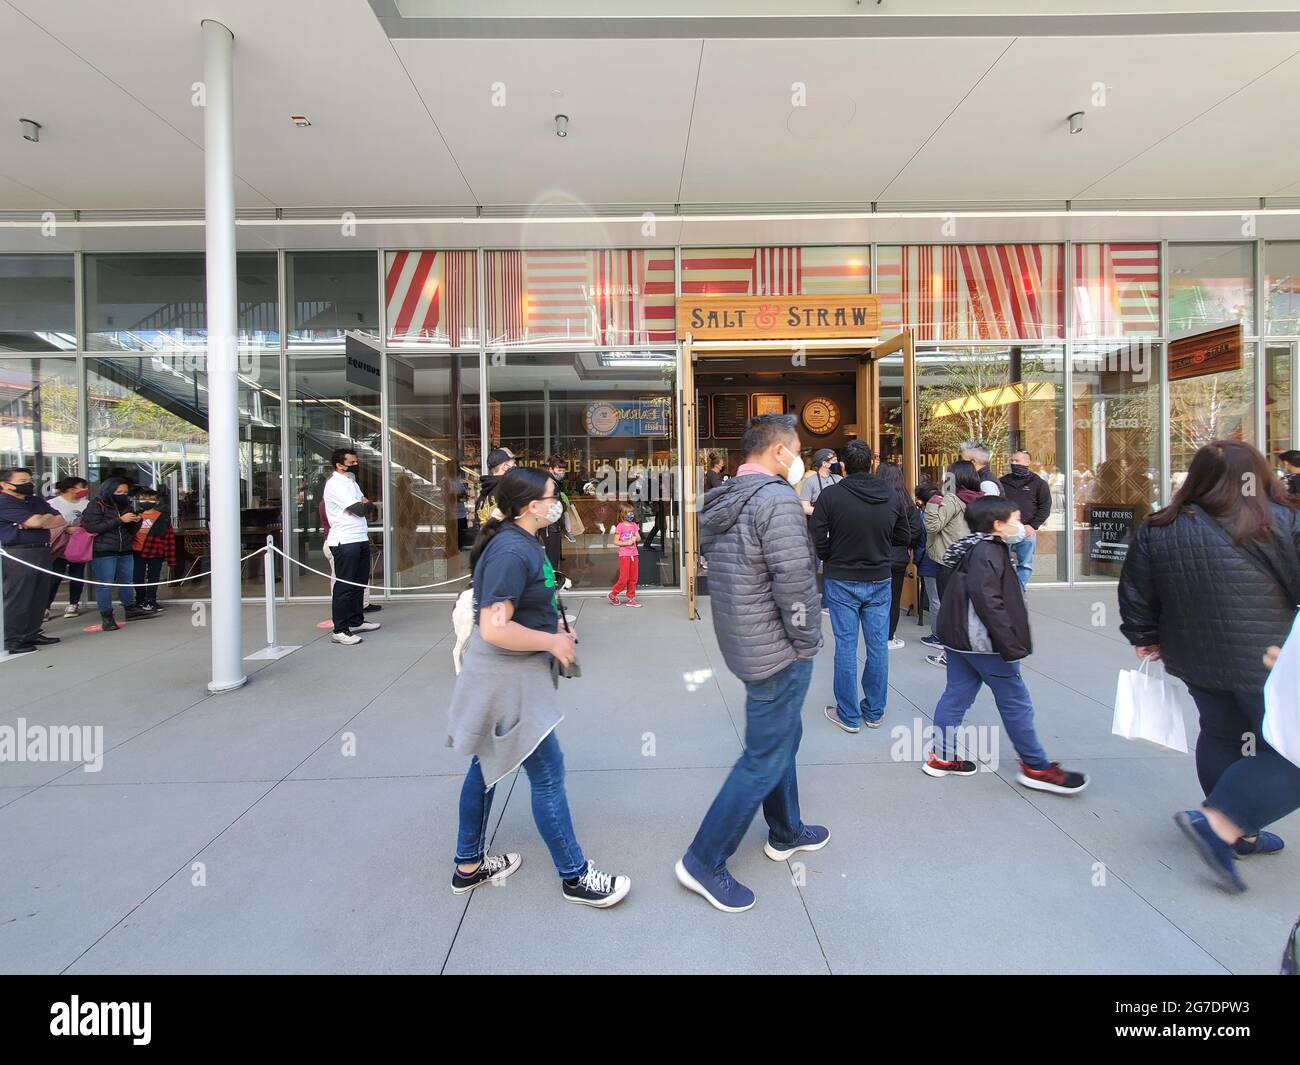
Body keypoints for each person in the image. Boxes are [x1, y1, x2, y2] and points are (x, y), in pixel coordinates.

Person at [1119, 440, 1300, 894]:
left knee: (1222, 733)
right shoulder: (1281, 521)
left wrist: (1143, 636)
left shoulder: (1160, 525)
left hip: (1194, 655)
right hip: (1268, 657)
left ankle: (1241, 829)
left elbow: (1137, 590)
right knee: (1287, 747)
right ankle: (1221, 822)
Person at [446, 467, 630, 907]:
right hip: (508, 679)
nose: (559, 502)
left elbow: (525, 603)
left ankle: (468, 865)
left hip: (507, 675)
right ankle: (575, 876)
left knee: (484, 768)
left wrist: (556, 625)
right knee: (548, 773)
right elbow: (494, 627)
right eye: (553, 496)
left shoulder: (520, 540)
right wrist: (551, 640)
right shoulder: (512, 549)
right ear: (532, 506)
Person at [677, 413, 826, 913]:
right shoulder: (777, 500)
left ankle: (785, 830)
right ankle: (703, 859)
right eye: (797, 446)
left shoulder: (724, 497)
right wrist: (806, 641)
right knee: (763, 756)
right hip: (777, 648)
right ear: (779, 451)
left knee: (785, 737)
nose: (798, 456)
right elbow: (794, 582)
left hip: (745, 639)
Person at [923, 496, 1088, 794]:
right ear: (997, 525)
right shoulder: (989, 552)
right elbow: (990, 603)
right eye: (1014, 519)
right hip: (985, 644)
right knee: (1016, 703)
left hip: (960, 640)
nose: (1020, 525)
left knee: (956, 696)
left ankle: (942, 757)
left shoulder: (969, 547)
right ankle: (1035, 766)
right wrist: (1010, 644)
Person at [813, 441, 911, 732]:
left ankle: (849, 714)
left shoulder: (831, 495)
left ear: (843, 465)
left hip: (842, 578)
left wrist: (830, 555)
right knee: (877, 645)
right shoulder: (891, 496)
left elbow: (817, 535)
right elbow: (904, 535)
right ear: (871, 464)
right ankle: (874, 710)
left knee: (845, 646)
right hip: (879, 578)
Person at [921, 460, 984, 667]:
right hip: (970, 559)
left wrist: (931, 502)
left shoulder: (952, 499)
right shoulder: (979, 499)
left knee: (950, 609)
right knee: (965, 608)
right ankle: (968, 650)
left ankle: (951, 656)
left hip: (948, 560)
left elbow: (933, 525)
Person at [0, 467, 64, 653]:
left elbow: (60, 519)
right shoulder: (3, 502)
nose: (28, 484)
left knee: (39, 593)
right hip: (18, 553)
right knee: (20, 595)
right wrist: (39, 521)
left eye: (29, 480)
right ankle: (14, 638)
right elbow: (36, 522)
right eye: (21, 481)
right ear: (4, 484)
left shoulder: (34, 500)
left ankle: (32, 632)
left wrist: (37, 521)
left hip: (42, 549)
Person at [81, 476, 155, 631]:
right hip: (104, 551)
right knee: (105, 584)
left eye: (125, 492)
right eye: (118, 491)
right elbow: (91, 528)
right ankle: (107, 616)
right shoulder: (95, 505)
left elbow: (130, 531)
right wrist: (120, 520)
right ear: (108, 490)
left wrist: (137, 521)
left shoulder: (124, 505)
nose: (122, 494)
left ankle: (130, 608)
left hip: (125, 549)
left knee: (126, 581)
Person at [323, 449, 379, 646]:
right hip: (344, 540)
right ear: (340, 465)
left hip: (359, 537)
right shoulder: (335, 485)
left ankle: (356, 621)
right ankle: (340, 629)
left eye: (356, 461)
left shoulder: (351, 482)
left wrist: (367, 506)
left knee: (359, 582)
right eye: (352, 462)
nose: (356, 464)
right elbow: (360, 509)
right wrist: (366, 506)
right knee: (345, 585)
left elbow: (369, 508)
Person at [875, 460, 921, 650]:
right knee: (893, 599)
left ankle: (875, 634)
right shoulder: (906, 502)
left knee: (875, 599)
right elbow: (916, 531)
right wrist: (906, 545)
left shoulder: (874, 499)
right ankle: (888, 637)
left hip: (875, 555)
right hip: (897, 557)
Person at [998, 449, 1052, 590]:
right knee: (1001, 563)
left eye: (1017, 461)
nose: (1014, 463)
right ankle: (1004, 590)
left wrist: (1033, 526)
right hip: (1004, 531)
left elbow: (1045, 507)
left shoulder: (1039, 484)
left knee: (1025, 564)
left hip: (1027, 531)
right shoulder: (1002, 482)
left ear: (1028, 462)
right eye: (1012, 461)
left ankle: (1019, 591)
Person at [46, 476, 89, 619]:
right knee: (55, 576)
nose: (85, 490)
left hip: (79, 545)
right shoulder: (52, 504)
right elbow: (46, 523)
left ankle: (73, 604)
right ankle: (46, 606)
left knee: (77, 575)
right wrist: (65, 529)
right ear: (71, 489)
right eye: (82, 487)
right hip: (59, 545)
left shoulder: (87, 504)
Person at [129, 485, 175, 614]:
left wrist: (171, 558)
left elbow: (169, 537)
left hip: (155, 551)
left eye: (150, 498)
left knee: (153, 577)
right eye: (143, 498)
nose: (146, 501)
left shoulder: (163, 516)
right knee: (137, 577)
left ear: (156, 501)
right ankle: (140, 599)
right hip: (136, 551)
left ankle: (150, 600)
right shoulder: (133, 515)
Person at [914, 482, 941, 639]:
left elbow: (921, 541)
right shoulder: (947, 511)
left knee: (934, 599)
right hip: (946, 560)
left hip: (930, 560)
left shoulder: (924, 516)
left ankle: (937, 635)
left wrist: (917, 560)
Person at [538, 455, 568, 572]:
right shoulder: (550, 483)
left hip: (551, 525)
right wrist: (563, 506)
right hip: (549, 526)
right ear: (551, 469)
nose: (562, 473)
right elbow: (554, 505)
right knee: (552, 559)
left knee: (552, 557)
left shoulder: (552, 482)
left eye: (563, 470)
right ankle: (552, 583)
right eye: (559, 470)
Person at [474, 446, 516, 529]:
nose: (516, 466)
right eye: (514, 463)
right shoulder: (510, 489)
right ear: (505, 466)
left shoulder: (483, 495)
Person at [607, 506, 641, 607]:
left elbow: (638, 537)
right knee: (624, 578)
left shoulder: (634, 525)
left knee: (633, 578)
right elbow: (615, 541)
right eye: (628, 513)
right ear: (622, 514)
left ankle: (631, 599)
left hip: (634, 554)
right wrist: (627, 542)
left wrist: (634, 538)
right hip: (625, 555)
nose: (631, 515)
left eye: (632, 512)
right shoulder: (620, 526)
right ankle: (613, 594)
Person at [797, 448, 841, 516]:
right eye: (834, 460)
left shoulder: (840, 479)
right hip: (820, 522)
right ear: (824, 463)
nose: (837, 463)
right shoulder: (810, 481)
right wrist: (825, 513)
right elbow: (805, 507)